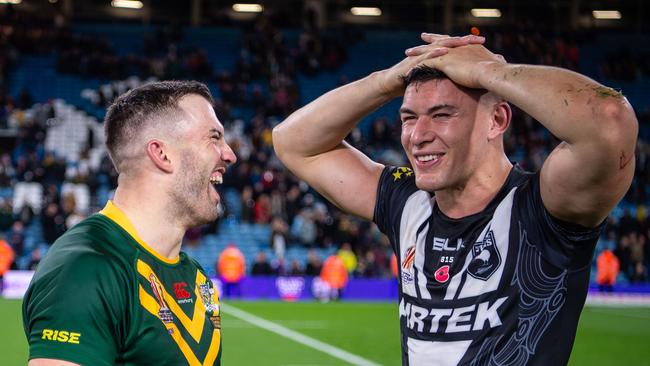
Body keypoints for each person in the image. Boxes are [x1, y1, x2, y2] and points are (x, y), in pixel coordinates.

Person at [272, 33, 637, 365]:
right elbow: (292, 142)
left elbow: (608, 119)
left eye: (442, 114)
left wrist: (489, 72)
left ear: (497, 119)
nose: (417, 136)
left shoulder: (543, 207)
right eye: (409, 117)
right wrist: (389, 79)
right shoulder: (405, 201)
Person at [23, 81, 236, 365]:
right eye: (214, 137)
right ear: (162, 154)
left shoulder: (196, 277)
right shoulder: (86, 269)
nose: (230, 154)